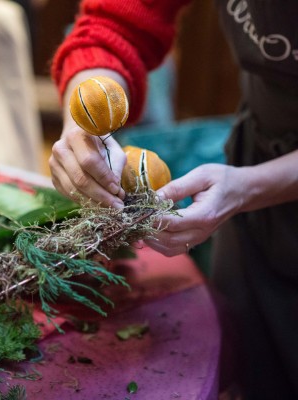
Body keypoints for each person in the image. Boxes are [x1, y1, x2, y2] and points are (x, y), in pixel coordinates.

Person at [49, 1, 298, 399]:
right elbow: (117, 22)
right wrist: (82, 124)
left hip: (264, 181)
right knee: (246, 364)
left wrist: (250, 186)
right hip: (258, 158)